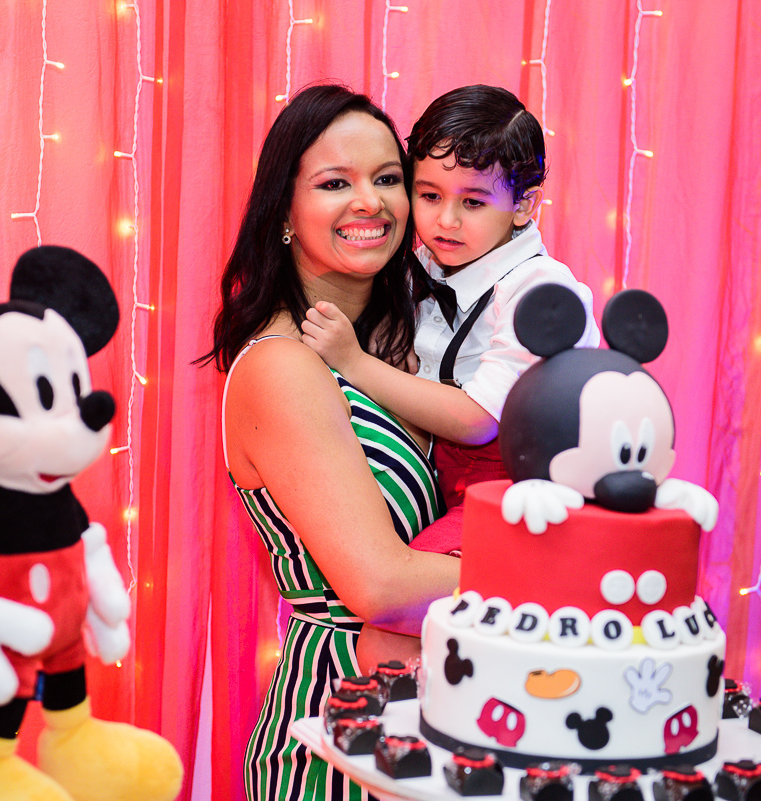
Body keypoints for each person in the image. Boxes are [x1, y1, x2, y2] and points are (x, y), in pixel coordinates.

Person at [202, 84, 460, 801]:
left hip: (439, 726)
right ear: (284, 210)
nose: (370, 202)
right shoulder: (283, 366)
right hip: (338, 739)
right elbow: (381, 585)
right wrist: (569, 585)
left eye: (387, 179)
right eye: (334, 182)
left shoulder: (404, 347)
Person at [303, 85, 598, 558]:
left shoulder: (541, 291)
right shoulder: (426, 267)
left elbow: (478, 419)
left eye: (474, 202)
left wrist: (352, 362)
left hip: (527, 489)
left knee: (394, 619)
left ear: (524, 205)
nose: (447, 220)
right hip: (451, 483)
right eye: (429, 195)